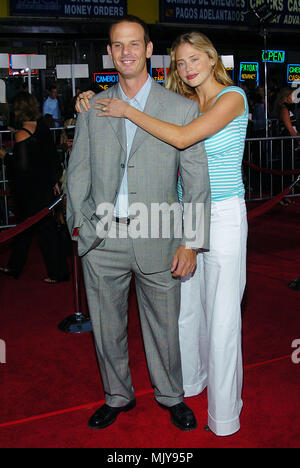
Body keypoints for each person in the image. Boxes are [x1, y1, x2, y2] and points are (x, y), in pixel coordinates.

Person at [77, 30, 248, 436]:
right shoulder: (179, 101)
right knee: (177, 318)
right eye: (182, 62)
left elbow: (191, 158)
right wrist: (78, 222)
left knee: (212, 319)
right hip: (110, 233)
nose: (188, 68)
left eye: (195, 59)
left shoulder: (221, 100)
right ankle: (132, 393)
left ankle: (200, 407)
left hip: (210, 219)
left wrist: (190, 239)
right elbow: (80, 165)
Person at [0, 92, 69, 283]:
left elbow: (20, 168)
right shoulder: (42, 127)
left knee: (37, 230)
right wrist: (54, 181)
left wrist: (5, 155)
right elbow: (51, 157)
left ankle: (58, 273)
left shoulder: (23, 134)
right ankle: (15, 266)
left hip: (30, 191)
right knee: (30, 229)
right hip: (44, 186)